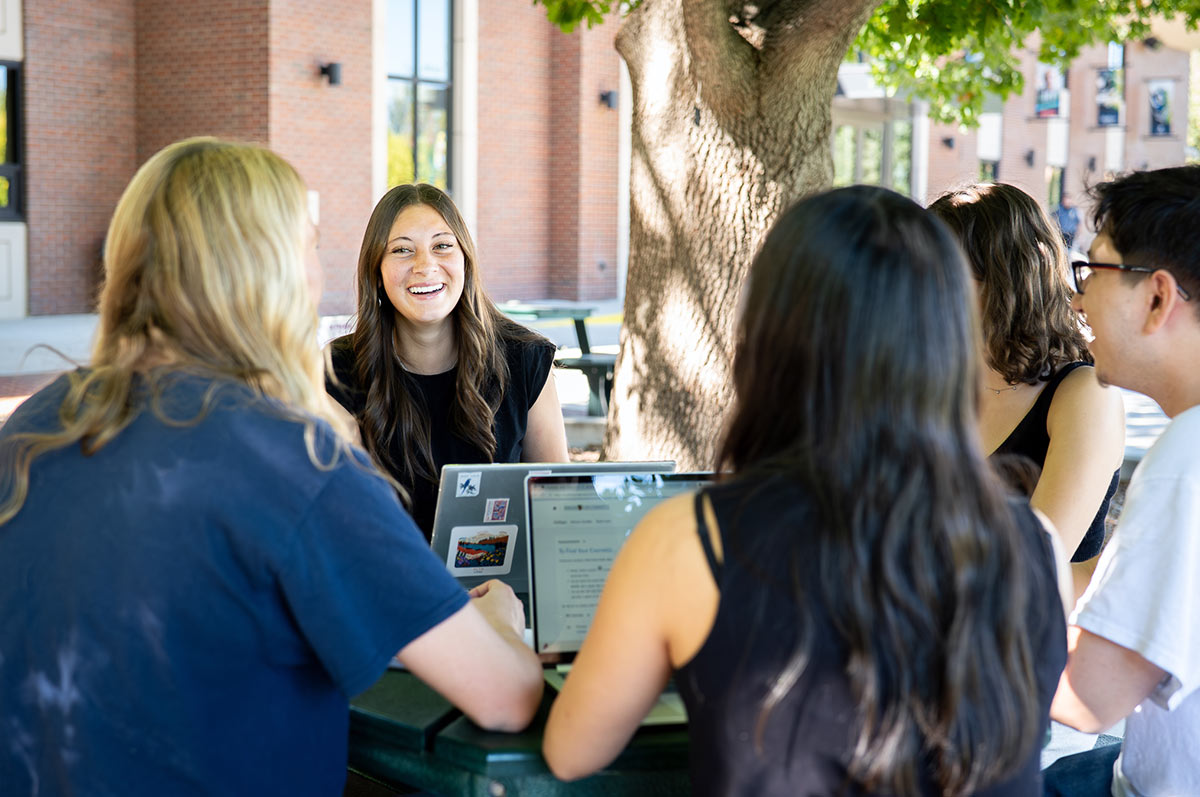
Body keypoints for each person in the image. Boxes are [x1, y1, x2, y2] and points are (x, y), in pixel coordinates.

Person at [0, 138, 543, 795]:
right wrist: (504, 622)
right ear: (271, 269)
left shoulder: (33, 427)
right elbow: (505, 696)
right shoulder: (295, 459)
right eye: (308, 245)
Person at [542, 186, 1069, 794]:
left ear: (769, 338)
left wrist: (504, 631)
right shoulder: (1037, 545)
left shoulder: (688, 539)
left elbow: (571, 750)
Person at [1045, 165, 1200, 797]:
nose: (1077, 301)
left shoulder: (1186, 461)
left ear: (1158, 298)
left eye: (1092, 272)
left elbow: (1088, 698)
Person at [327, 184, 569, 538]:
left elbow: (558, 510)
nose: (425, 266)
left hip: (504, 590)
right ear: (376, 272)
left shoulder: (526, 360)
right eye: (402, 250)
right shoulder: (337, 372)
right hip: (385, 585)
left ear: (465, 261)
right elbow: (337, 522)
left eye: (442, 246)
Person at [930, 184, 1125, 600]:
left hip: (1027, 651)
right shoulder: (935, 382)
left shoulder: (1083, 395)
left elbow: (1033, 572)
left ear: (1003, 278)